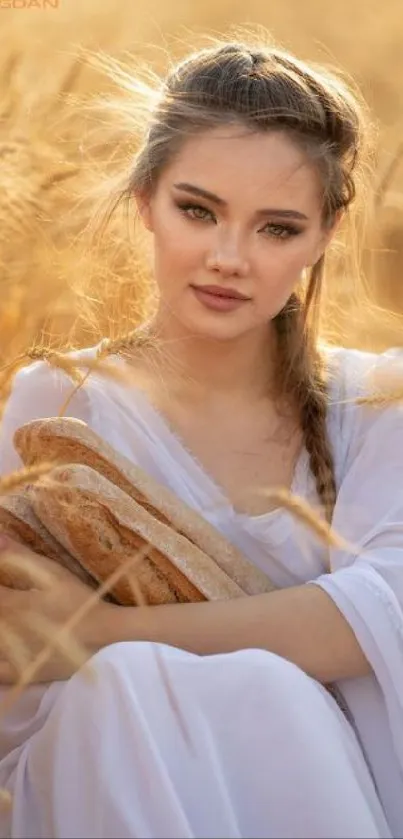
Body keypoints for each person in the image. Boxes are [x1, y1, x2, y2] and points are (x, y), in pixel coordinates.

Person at [0, 35, 402, 839]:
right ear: (145, 198)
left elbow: (378, 613)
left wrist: (108, 633)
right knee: (115, 692)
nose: (228, 259)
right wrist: (109, 661)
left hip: (318, 790)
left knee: (166, 677)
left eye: (276, 229)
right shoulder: (58, 401)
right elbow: (22, 644)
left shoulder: (376, 400)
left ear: (325, 233)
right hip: (95, 776)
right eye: (198, 210)